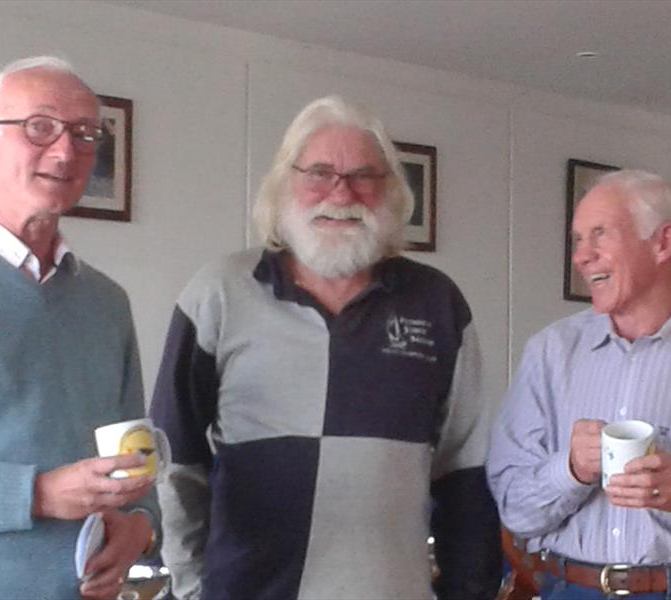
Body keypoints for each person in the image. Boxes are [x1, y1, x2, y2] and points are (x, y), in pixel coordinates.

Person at [150, 95, 502, 599]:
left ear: (393, 193)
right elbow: (175, 457)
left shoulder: (437, 302)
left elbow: (465, 470)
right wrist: (190, 587)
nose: (341, 193)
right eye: (319, 172)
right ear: (284, 184)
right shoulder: (220, 292)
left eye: (364, 175)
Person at [487, 169, 671, 600]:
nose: (581, 256)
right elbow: (515, 511)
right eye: (578, 239)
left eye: (600, 234)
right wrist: (572, 470)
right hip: (569, 591)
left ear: (663, 243)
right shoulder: (550, 352)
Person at [0, 56, 160, 600]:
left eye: (84, 133)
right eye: (40, 127)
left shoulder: (106, 302)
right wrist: (38, 494)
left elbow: (135, 460)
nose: (65, 150)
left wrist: (140, 527)